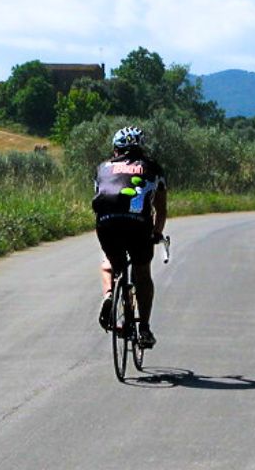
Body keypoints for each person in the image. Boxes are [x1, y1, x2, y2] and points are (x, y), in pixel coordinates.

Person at [94, 126, 168, 349]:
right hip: (138, 226)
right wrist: (156, 233)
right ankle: (144, 328)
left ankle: (109, 294)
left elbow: (100, 197)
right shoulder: (153, 167)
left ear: (115, 149)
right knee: (142, 274)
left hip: (107, 224)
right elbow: (161, 209)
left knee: (111, 265)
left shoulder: (102, 167)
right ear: (141, 148)